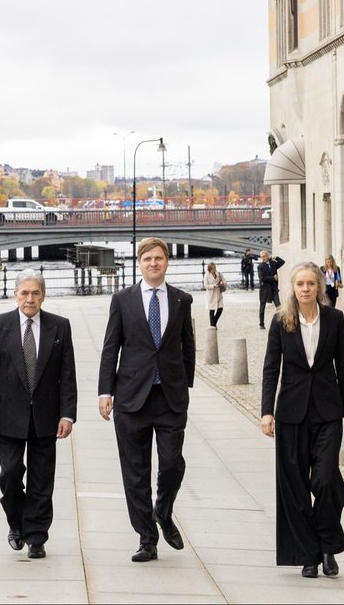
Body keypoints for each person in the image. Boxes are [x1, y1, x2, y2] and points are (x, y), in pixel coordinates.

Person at [260, 261, 344, 579]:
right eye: (300, 284)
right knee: (296, 487)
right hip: (291, 412)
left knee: (325, 480)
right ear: (293, 288)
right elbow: (270, 368)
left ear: (319, 286)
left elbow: (342, 365)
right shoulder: (281, 321)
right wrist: (266, 411)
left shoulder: (334, 319)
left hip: (328, 411)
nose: (305, 289)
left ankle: (328, 544)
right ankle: (310, 554)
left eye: (310, 284)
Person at [98, 237, 196, 562]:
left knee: (172, 463)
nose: (153, 264)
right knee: (135, 472)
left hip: (169, 398)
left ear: (167, 262)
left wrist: (186, 385)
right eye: (147, 259)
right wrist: (105, 391)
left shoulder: (182, 300)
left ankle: (163, 510)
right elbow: (111, 346)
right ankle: (146, 537)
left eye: (158, 258)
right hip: (131, 398)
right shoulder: (122, 300)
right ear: (139, 263)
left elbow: (188, 347)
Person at [0, 269, 77, 559]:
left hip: (46, 416)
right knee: (10, 474)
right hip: (6, 416)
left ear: (43, 296)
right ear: (15, 294)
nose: (30, 298)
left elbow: (67, 374)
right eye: (24, 293)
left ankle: (36, 536)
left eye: (35, 293)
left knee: (42, 481)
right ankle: (16, 522)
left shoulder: (60, 326)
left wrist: (67, 414)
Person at [257, 251, 286, 329]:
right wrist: (273, 278)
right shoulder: (260, 267)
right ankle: (261, 324)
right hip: (265, 290)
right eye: (261, 257)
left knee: (278, 306)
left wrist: (275, 257)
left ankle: (282, 322)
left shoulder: (272, 263)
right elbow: (262, 278)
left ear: (267, 256)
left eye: (264, 256)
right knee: (262, 307)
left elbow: (282, 262)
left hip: (274, 289)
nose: (263, 258)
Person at [204, 261, 227, 327]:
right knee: (212, 310)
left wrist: (222, 283)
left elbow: (225, 281)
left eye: (214, 268)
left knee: (220, 308)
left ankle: (214, 323)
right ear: (209, 269)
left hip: (218, 294)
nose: (213, 270)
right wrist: (213, 286)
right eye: (212, 269)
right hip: (211, 294)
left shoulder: (219, 273)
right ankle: (213, 326)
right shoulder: (206, 275)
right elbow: (205, 286)